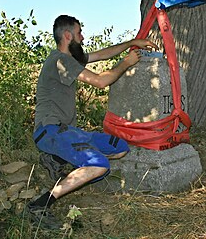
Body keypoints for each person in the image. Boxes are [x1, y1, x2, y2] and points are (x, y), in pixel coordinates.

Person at [25, 14, 158, 229]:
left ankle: (56, 160)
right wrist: (127, 62)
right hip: (49, 131)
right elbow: (100, 81)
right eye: (79, 33)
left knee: (120, 148)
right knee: (99, 165)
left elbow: (101, 55)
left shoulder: (69, 59)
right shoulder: (61, 60)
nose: (83, 37)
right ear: (68, 36)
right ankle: (40, 204)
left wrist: (131, 43)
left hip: (68, 132)